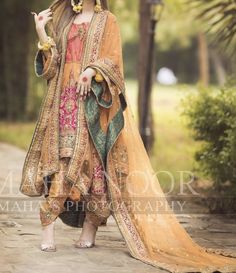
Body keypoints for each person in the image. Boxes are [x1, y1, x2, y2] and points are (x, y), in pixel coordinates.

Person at [20, 0, 236, 272]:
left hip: (93, 106)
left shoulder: (108, 21)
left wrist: (92, 70)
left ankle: (90, 230)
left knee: (97, 167)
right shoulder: (65, 21)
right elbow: (52, 68)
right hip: (64, 103)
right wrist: (42, 32)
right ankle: (47, 229)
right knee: (62, 163)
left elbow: (114, 65)